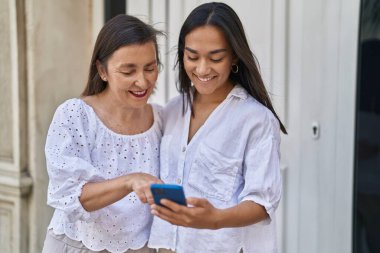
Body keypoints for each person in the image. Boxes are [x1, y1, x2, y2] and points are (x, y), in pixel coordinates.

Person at [148, 2, 287, 253]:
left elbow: (262, 202)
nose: (202, 69)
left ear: (234, 55)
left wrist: (214, 219)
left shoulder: (256, 120)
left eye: (215, 58)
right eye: (192, 56)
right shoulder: (171, 111)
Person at [42, 14, 164, 253]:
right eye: (128, 71)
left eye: (150, 68)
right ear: (102, 70)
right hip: (77, 245)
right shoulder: (75, 115)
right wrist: (130, 181)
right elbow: (71, 196)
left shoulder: (162, 120)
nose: (142, 81)